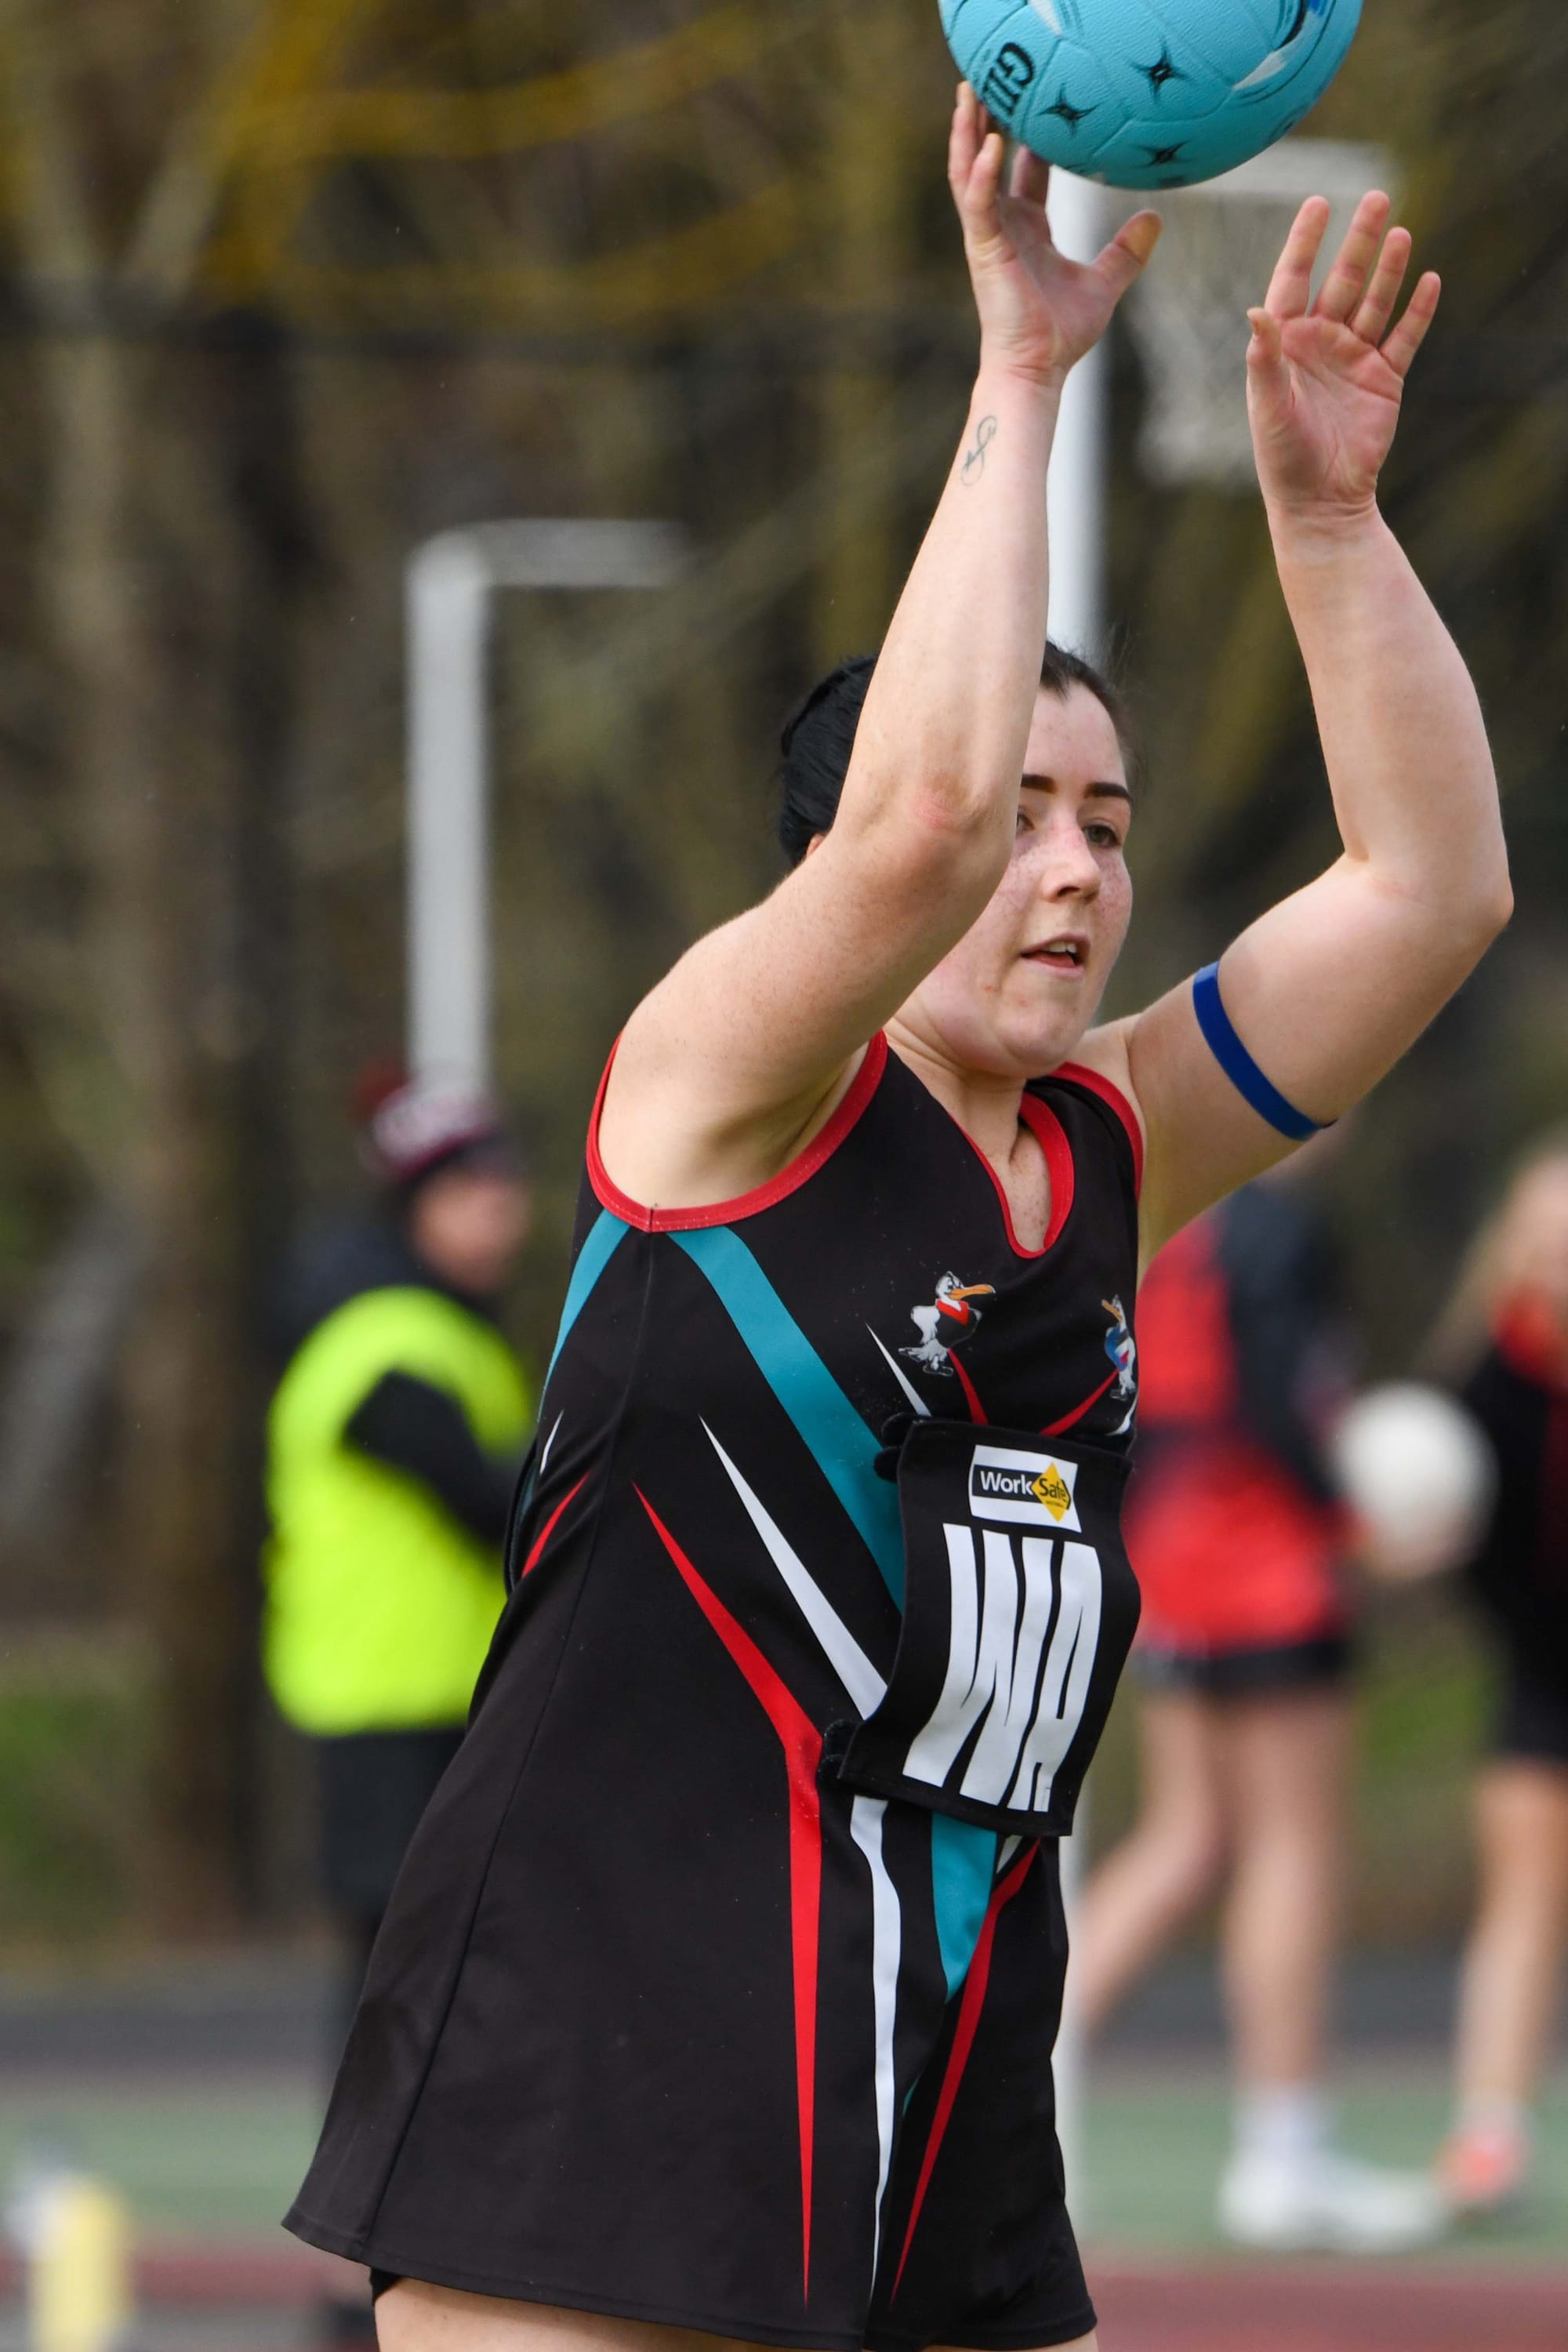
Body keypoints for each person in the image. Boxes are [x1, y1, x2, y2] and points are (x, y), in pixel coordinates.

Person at [285, 88, 1508, 2352]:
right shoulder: (724, 1090)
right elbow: (920, 820)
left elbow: (1434, 895)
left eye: (1111, 825)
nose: (1069, 866)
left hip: (946, 2056)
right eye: (1031, 817)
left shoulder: (1113, 1141)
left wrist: (1329, 528)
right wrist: (1025, 373)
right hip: (610, 2036)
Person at [1070, 1145, 1440, 2251]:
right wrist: (1354, 1521)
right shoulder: (1275, 1224)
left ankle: (992, 2081)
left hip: (1173, 1554)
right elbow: (1280, 1398)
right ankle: (1286, 2150)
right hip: (1261, 1562)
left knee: (1189, 1841)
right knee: (1294, 1847)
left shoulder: (1177, 1220)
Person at [264, 1071, 535, 1998]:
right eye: (472, 1194)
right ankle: (376, 2149)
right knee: (402, 1964)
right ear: (414, 1207)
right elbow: (494, 1504)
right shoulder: (391, 1341)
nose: (501, 1217)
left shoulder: (430, 1328)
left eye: (507, 1193)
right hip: (393, 1693)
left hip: (423, 1687)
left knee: (429, 1960)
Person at [1432, 1139, 1568, 2215]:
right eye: (1545, 1235)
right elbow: (1467, 1554)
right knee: (1525, 1893)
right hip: (1543, 1677)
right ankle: (1488, 2137)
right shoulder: (1481, 1389)